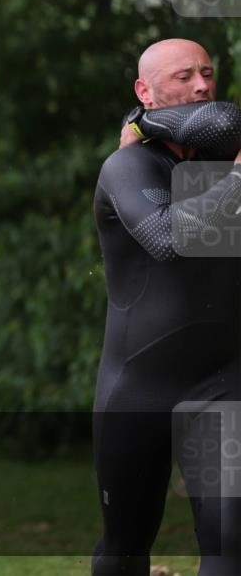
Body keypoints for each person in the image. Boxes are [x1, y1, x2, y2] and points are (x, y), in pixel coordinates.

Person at [92, 38, 241, 576]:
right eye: (183, 76)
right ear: (145, 92)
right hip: (136, 387)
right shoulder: (128, 168)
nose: (201, 85)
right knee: (125, 548)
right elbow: (170, 239)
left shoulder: (227, 160)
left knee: (231, 542)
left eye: (207, 72)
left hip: (222, 383)